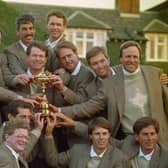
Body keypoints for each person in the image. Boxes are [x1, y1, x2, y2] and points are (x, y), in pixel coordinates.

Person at [53, 40, 168, 148]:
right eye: (95, 64)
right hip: (122, 136)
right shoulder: (98, 86)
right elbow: (86, 106)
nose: (100, 66)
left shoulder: (151, 73)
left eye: (102, 61)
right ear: (90, 67)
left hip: (158, 136)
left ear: (108, 60)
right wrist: (59, 110)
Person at [41, 116, 131, 168]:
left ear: (109, 135)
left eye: (104, 134)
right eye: (97, 134)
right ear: (90, 136)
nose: (101, 137)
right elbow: (53, 161)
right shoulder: (77, 150)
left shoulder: (120, 158)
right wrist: (48, 134)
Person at [49, 40, 95, 106]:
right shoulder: (62, 72)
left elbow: (82, 101)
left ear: (76, 54)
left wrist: (62, 88)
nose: (67, 60)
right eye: (63, 58)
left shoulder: (87, 74)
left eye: (69, 56)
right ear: (59, 60)